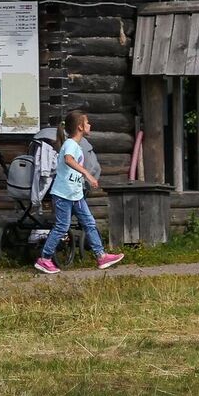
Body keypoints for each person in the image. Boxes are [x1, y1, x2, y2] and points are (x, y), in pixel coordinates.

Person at [35, 111, 123, 275]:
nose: (90, 125)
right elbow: (68, 160)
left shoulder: (76, 145)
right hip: (63, 195)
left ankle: (101, 256)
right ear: (80, 127)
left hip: (75, 195)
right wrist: (87, 174)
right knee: (62, 227)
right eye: (87, 122)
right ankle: (44, 259)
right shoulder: (70, 145)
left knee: (89, 224)